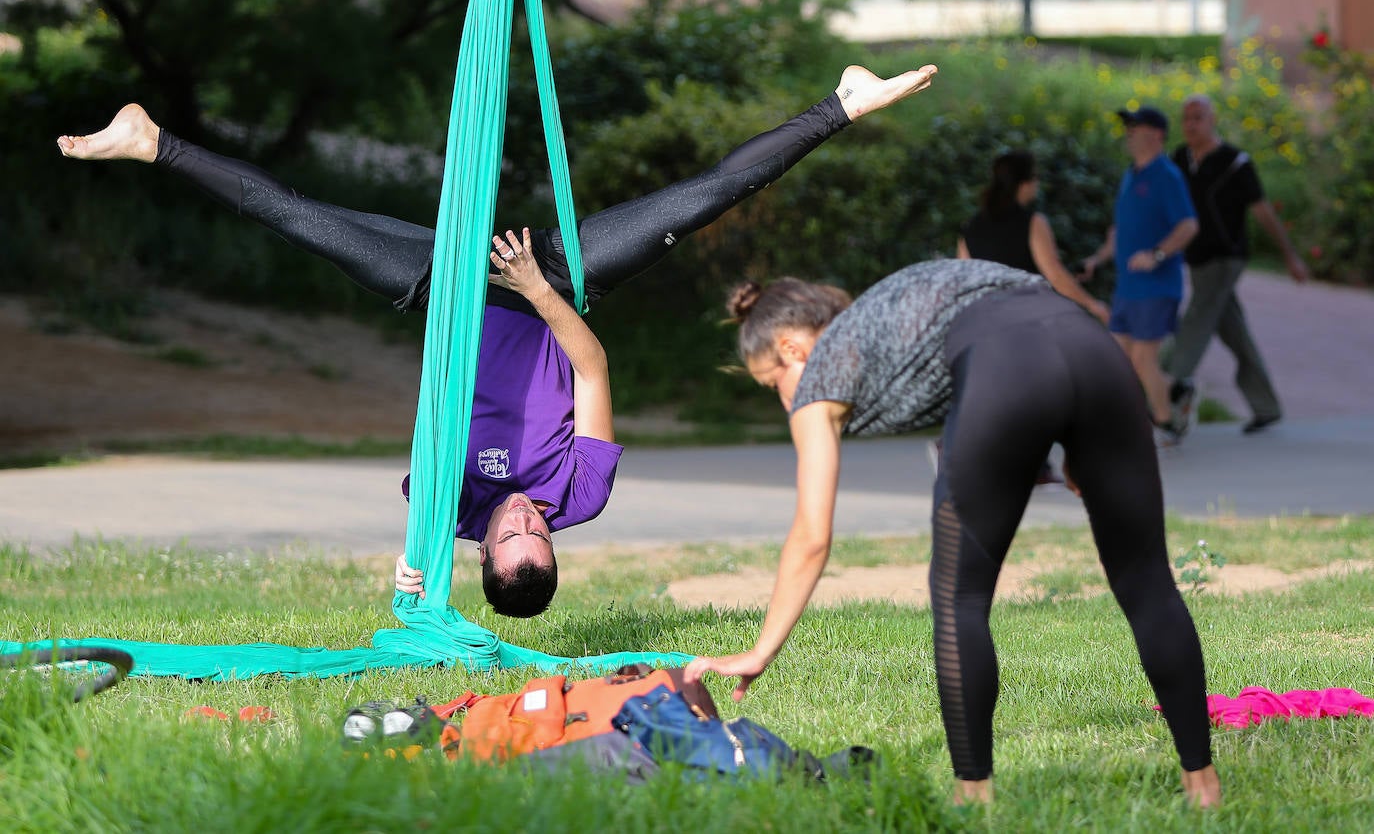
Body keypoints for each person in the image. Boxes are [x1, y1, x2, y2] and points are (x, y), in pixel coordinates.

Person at [57, 63, 939, 618]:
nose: (523, 518)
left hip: (440, 287)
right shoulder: (583, 493)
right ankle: (842, 104)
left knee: (297, 219)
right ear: (555, 548)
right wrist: (535, 286)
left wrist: (415, 563)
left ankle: (152, 142)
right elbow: (591, 363)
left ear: (487, 552)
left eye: (510, 536)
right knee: (702, 198)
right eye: (537, 537)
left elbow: (423, 506)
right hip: (554, 283)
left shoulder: (453, 509)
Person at [682, 259, 1221, 808]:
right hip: (1092, 348)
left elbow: (811, 535)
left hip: (1003, 365)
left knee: (960, 596)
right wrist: (1082, 444)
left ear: (792, 348)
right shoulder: (891, 311)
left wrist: (760, 650)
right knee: (1146, 578)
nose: (784, 399)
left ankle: (973, 799)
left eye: (773, 383)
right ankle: (1204, 787)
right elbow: (1039, 326)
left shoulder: (822, 368)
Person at [1165, 93, 1308, 435]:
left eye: (1198, 117)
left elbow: (1263, 212)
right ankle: (1266, 406)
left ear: (1212, 120)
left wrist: (1289, 256)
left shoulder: (1235, 163)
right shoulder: (1180, 160)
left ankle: (1170, 392)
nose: (1191, 124)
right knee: (1233, 330)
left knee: (1197, 319)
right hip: (1196, 258)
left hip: (1226, 258)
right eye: (1186, 118)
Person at [1080, 107, 1199, 446]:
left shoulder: (1167, 176)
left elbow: (1189, 225)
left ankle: (1166, 424)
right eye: (1127, 127)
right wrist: (1097, 259)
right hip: (1128, 288)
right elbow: (1120, 231)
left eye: (1136, 126)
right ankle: (1172, 395)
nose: (1128, 132)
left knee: (1143, 358)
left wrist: (1157, 254)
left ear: (1158, 135)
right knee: (1120, 361)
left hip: (1158, 285)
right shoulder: (1131, 175)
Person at [958, 150, 1109, 324]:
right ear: (1024, 183)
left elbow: (965, 278)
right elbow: (1054, 274)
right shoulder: (1033, 222)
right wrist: (1092, 304)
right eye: (1035, 176)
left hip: (986, 322)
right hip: (1026, 320)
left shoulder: (971, 226)